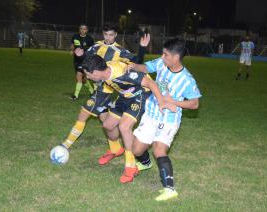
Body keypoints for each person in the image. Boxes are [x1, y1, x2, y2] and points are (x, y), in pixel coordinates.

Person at [61, 24, 150, 167]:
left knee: (84, 113)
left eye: (111, 35)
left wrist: (142, 48)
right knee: (106, 122)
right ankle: (115, 149)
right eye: (106, 34)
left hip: (106, 90)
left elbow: (136, 62)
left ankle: (65, 145)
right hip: (101, 86)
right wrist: (80, 54)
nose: (108, 37)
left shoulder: (120, 51)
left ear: (115, 35)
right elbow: (87, 59)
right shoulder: (96, 46)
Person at [126, 38, 201, 201]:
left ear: (176, 57)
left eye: (166, 54)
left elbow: (195, 104)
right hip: (151, 113)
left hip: (169, 119)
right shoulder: (161, 63)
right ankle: (145, 163)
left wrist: (171, 101)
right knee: (136, 150)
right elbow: (146, 67)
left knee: (159, 150)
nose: (162, 56)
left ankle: (170, 189)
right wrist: (134, 66)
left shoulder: (187, 79)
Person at [83, 55, 176, 184]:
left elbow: (151, 83)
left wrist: (161, 102)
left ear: (97, 72)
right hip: (124, 96)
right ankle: (115, 149)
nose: (87, 77)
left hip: (140, 95)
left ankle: (130, 166)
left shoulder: (124, 73)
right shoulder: (106, 69)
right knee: (108, 125)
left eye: (88, 74)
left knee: (124, 127)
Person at [70, 24, 95, 100]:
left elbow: (93, 50)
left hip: (85, 60)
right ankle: (92, 91)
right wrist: (72, 50)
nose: (83, 30)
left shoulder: (89, 39)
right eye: (81, 28)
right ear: (79, 29)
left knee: (79, 76)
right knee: (83, 79)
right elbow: (72, 45)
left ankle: (75, 95)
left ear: (87, 30)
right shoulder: (75, 36)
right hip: (76, 60)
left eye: (84, 29)